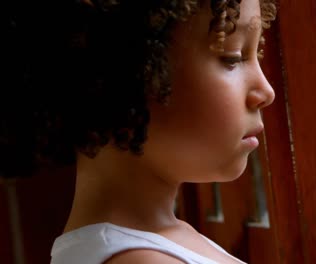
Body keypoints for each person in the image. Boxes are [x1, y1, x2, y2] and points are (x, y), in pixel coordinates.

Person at [2, 0, 276, 263]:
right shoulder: (140, 259)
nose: (266, 91)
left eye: (256, 54)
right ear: (126, 69)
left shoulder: (158, 241)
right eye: (232, 57)